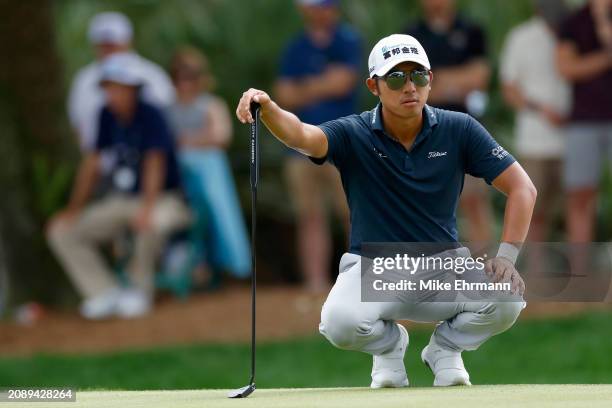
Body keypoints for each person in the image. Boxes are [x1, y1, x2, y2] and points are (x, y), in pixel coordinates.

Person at [236, 34, 535, 387]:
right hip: (373, 269)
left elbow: (522, 188)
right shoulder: (354, 132)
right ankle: (391, 347)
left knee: (508, 298)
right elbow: (302, 135)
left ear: (430, 80)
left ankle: (445, 349)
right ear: (373, 86)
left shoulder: (459, 128)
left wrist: (507, 257)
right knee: (339, 323)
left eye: (418, 76)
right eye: (395, 78)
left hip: (443, 266)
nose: (409, 86)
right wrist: (267, 107)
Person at [47, 53, 191, 320]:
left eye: (119, 87)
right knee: (62, 231)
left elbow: (154, 163)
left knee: (151, 223)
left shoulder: (151, 114)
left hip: (164, 198)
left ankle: (139, 291)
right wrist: (74, 209)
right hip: (121, 199)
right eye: (109, 87)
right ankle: (103, 293)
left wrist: (147, 208)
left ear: (133, 88)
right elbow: (92, 163)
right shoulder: (105, 115)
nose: (113, 94)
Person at [274, 0, 360, 293]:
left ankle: (363, 280)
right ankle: (315, 284)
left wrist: (304, 88)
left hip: (342, 145)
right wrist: (323, 83)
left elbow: (344, 83)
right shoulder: (295, 47)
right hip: (299, 148)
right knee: (309, 216)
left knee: (352, 213)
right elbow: (283, 94)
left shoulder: (347, 39)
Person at [405, 0, 494, 242]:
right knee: (424, 205)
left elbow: (480, 77)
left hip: (466, 130)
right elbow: (409, 86)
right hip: (421, 131)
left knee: (474, 200)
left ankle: (485, 271)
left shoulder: (472, 31)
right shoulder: (409, 36)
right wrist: (457, 82)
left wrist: (436, 81)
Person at [166, 46, 251, 282]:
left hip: (209, 172)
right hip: (181, 175)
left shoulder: (211, 104)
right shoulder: (168, 108)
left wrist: (189, 141)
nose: (186, 83)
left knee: (219, 211)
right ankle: (197, 268)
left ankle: (233, 267)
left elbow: (221, 136)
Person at [500, 0, 570, 242]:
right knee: (534, 212)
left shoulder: (574, 32)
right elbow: (509, 88)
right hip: (534, 141)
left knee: (571, 211)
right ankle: (536, 272)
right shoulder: (521, 37)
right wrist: (541, 109)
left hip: (572, 139)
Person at [68, 11, 175, 153]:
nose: (108, 50)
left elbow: (166, 122)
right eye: (102, 44)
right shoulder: (84, 80)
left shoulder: (152, 75)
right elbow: (77, 125)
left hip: (145, 156)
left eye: (113, 44)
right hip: (100, 159)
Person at [556, 0, 612, 244]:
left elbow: (578, 66)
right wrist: (607, 58)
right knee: (579, 196)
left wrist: (603, 22)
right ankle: (581, 271)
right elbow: (567, 68)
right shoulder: (572, 22)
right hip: (583, 121)